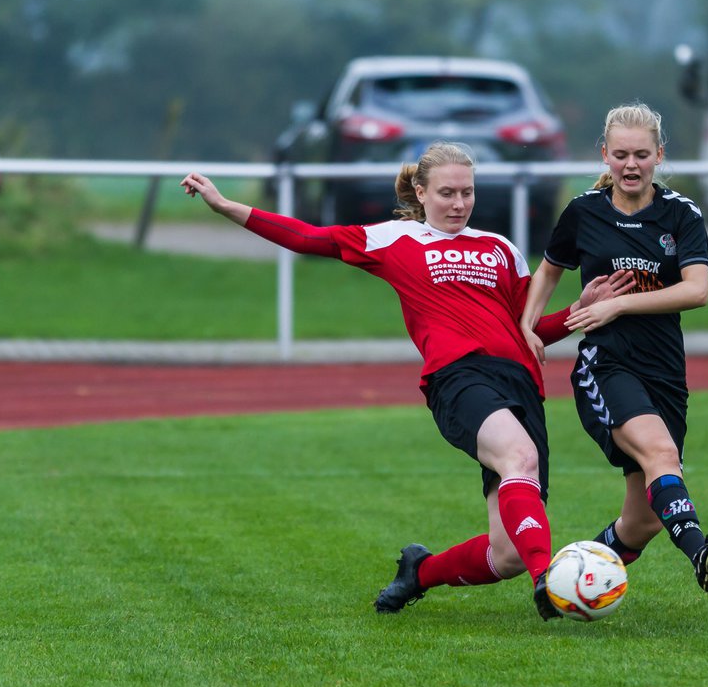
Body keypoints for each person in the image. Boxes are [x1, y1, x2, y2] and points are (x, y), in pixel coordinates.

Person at [180, 142, 631, 621]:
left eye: (467, 193)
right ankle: (548, 582)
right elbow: (309, 238)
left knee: (507, 554)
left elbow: (529, 330)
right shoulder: (393, 239)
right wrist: (227, 206)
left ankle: (420, 572)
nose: (459, 204)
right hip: (458, 376)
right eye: (447, 193)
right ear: (421, 191)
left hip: (521, 384)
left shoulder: (503, 250)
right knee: (521, 457)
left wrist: (580, 310)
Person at [520, 103, 708, 593]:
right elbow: (549, 270)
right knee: (660, 451)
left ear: (660, 155)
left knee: (642, 524)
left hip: (664, 369)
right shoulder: (583, 211)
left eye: (642, 154)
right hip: (606, 364)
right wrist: (528, 325)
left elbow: (697, 290)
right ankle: (701, 551)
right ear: (605, 155)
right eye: (621, 155)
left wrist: (619, 306)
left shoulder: (680, 214)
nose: (631, 165)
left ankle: (560, 585)